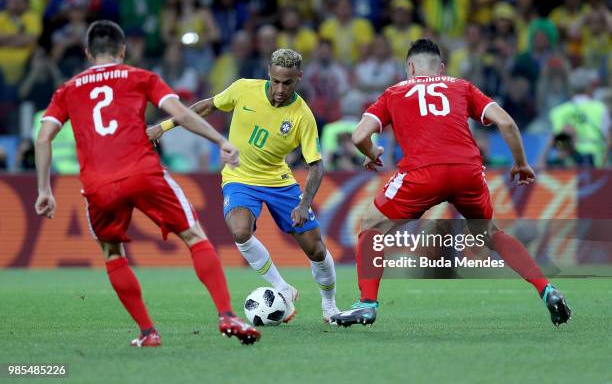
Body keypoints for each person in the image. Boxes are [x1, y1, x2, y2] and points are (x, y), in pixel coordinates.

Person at [34, 20, 260, 347]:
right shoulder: (140, 76)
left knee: (113, 253)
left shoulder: (67, 89)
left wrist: (44, 190)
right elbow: (180, 114)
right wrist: (219, 140)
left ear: (87, 53)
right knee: (194, 235)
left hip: (98, 184)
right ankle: (226, 314)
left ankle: (147, 333)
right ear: (123, 51)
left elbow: (43, 138)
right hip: (142, 171)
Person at [330, 39, 571, 328]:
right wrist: (521, 163)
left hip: (422, 174)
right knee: (490, 234)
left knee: (371, 225)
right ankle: (548, 290)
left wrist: (372, 154)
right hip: (467, 171)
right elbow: (506, 123)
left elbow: (358, 137)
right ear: (441, 68)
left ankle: (367, 305)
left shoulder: (394, 92)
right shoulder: (462, 86)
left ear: (410, 67)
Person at [148, 49, 340, 323]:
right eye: (275, 81)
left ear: (299, 78)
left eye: (287, 83)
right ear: (268, 74)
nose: (280, 89)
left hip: (279, 182)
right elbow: (206, 106)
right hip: (240, 178)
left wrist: (304, 204)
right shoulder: (243, 89)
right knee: (240, 231)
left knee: (316, 249)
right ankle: (281, 286)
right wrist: (164, 126)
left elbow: (316, 166)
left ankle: (329, 306)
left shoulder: (303, 116)